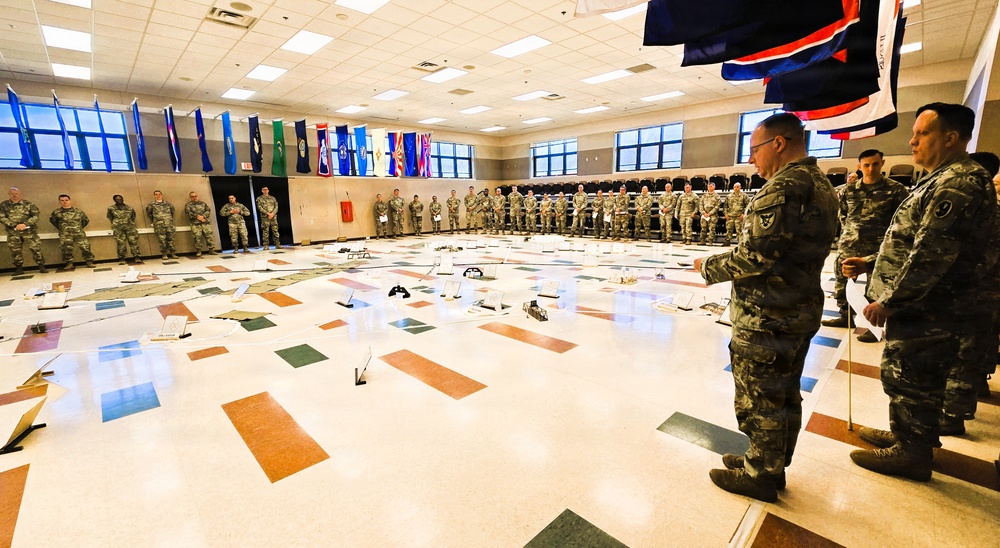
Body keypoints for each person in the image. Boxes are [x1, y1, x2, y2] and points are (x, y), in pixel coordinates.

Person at [843, 103, 996, 482]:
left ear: (951, 137)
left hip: (931, 306)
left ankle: (912, 453)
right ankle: (908, 436)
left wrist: (892, 302)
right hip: (924, 303)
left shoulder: (958, 182)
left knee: (913, 376)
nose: (911, 141)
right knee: (911, 377)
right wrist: (870, 261)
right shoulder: (941, 178)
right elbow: (912, 241)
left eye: (922, 133)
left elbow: (932, 254)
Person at [694, 112, 838, 502]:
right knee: (785, 392)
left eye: (754, 149)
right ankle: (771, 462)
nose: (751, 160)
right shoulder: (821, 184)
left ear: (779, 143)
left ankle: (762, 475)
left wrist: (706, 265)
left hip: (769, 313)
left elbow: (756, 256)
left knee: (762, 395)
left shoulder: (785, 187)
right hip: (799, 306)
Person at [821, 150, 908, 344]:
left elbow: (901, 220)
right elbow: (843, 214)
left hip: (878, 248)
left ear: (882, 163)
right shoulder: (849, 190)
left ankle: (873, 326)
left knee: (876, 287)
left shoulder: (896, 190)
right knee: (842, 283)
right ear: (859, 166)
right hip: (849, 244)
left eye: (875, 164)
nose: (871, 169)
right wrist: (849, 234)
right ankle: (845, 315)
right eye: (866, 165)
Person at [50, 194, 95, 269]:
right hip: (65, 234)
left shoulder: (78, 211)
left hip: (78, 233)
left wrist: (78, 228)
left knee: (85, 247)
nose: (64, 202)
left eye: (66, 200)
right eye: (62, 200)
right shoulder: (56, 212)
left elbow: (85, 220)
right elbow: (54, 222)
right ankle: (69, 263)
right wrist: (63, 229)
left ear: (70, 201)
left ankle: (89, 262)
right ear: (59, 202)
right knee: (66, 249)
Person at [107, 194, 143, 265]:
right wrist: (117, 223)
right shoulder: (111, 208)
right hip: (118, 229)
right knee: (121, 243)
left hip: (130, 227)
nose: (119, 200)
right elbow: (110, 217)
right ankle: (122, 258)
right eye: (117, 199)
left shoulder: (129, 208)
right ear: (114, 200)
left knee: (133, 242)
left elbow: (133, 216)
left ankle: (136, 256)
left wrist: (129, 223)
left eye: (120, 199)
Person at [146, 190, 178, 260]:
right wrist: (153, 222)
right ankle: (164, 254)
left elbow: (172, 212)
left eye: (159, 194)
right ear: (154, 196)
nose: (158, 195)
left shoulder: (168, 204)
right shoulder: (151, 205)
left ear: (162, 195)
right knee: (162, 240)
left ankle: (173, 253)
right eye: (156, 194)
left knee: (171, 239)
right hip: (158, 225)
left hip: (169, 224)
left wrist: (169, 220)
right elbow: (149, 214)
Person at [184, 191, 217, 257]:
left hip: (205, 223)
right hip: (195, 224)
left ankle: (211, 250)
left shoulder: (203, 203)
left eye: (195, 196)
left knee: (209, 236)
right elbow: (188, 213)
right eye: (192, 196)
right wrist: (198, 217)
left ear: (197, 196)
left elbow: (208, 210)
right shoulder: (188, 205)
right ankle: (199, 251)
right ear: (190, 197)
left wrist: (203, 216)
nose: (194, 198)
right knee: (197, 237)